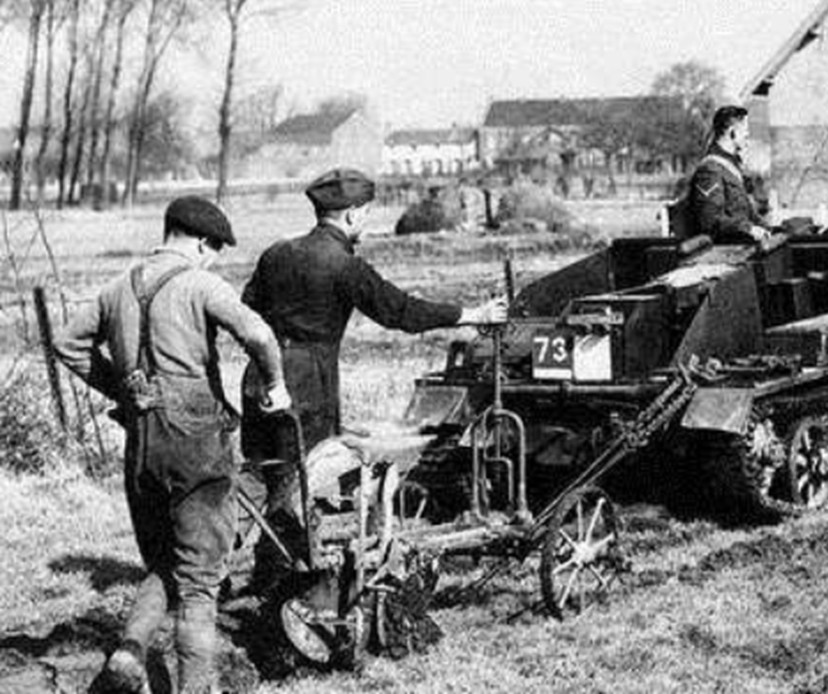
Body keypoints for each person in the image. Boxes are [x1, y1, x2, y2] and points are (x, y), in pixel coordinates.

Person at [54, 196, 291, 694]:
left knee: (163, 561)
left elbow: (67, 344)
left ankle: (129, 652)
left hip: (142, 440)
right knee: (200, 582)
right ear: (202, 242)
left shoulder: (116, 288)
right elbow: (259, 334)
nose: (214, 260)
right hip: (196, 441)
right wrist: (275, 386)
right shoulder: (201, 283)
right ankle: (195, 688)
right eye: (215, 250)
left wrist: (124, 389)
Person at [239, 168, 505, 580]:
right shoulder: (346, 266)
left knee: (260, 474)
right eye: (365, 214)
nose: (365, 223)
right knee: (301, 481)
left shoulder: (276, 253)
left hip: (259, 376)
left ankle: (219, 564)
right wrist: (472, 314)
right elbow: (401, 312)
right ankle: (288, 579)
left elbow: (247, 308)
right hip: (308, 383)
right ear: (351, 215)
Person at [689, 104, 772, 244]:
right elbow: (711, 220)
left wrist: (769, 229)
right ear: (732, 133)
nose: (747, 136)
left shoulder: (733, 166)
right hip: (725, 248)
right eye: (745, 131)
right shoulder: (709, 171)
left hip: (742, 244)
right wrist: (749, 229)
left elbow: (748, 213)